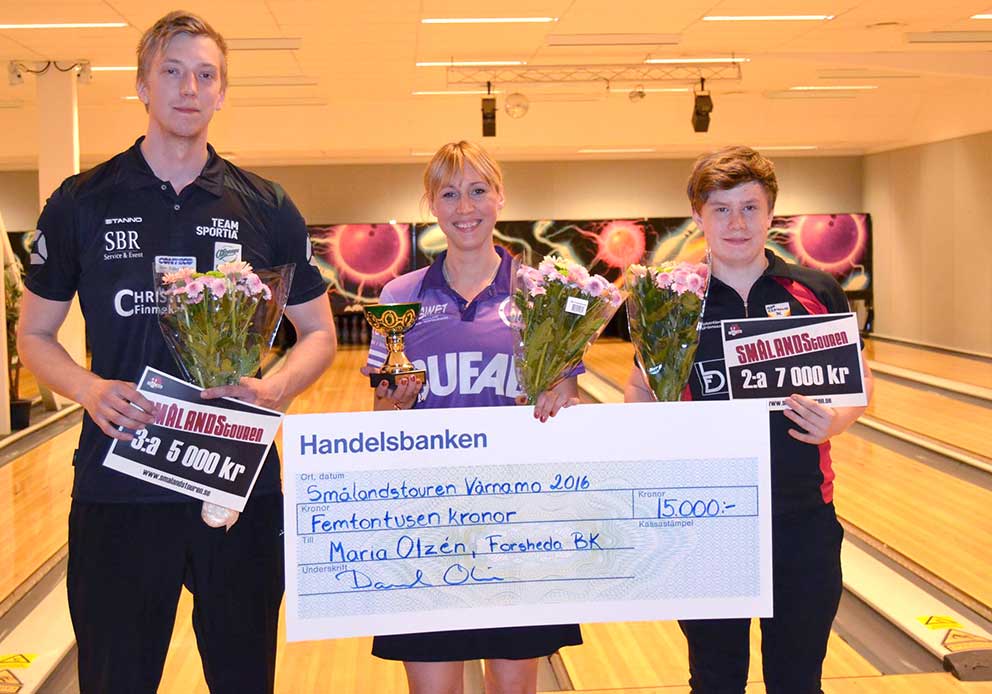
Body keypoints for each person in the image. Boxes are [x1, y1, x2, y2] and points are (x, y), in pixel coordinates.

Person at [18, 12, 336, 694]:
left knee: (244, 679)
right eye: (171, 71)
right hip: (119, 482)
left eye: (205, 74)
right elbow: (34, 335)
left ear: (222, 91)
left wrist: (276, 390)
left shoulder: (266, 205)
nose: (188, 87)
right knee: (116, 681)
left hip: (235, 475)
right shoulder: (81, 202)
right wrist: (88, 388)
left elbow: (319, 333)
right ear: (140, 84)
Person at [625, 146, 874, 694]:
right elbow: (642, 386)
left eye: (750, 207)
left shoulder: (815, 291)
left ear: (771, 214)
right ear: (698, 216)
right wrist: (650, 430)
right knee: (715, 682)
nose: (736, 222)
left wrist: (837, 420)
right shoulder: (669, 300)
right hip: (706, 520)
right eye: (721, 209)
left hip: (801, 516)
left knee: (798, 681)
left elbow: (858, 381)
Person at [365, 140, 582, 694]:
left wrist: (558, 399)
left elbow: (565, 393)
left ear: (500, 197)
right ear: (431, 205)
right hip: (426, 521)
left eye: (478, 191)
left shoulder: (542, 294)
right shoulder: (400, 295)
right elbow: (380, 414)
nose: (466, 207)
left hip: (518, 517)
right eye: (450, 194)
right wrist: (398, 401)